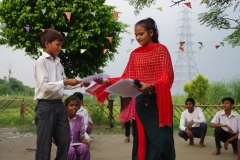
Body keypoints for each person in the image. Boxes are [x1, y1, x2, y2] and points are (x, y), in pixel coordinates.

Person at [87, 18, 175, 160]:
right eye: (136, 35)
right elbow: (126, 77)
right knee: (142, 140)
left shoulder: (161, 50)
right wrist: (106, 80)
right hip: (141, 103)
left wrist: (151, 85)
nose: (138, 38)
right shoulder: (135, 54)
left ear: (151, 32)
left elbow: (166, 76)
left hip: (158, 102)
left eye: (141, 34)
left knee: (162, 141)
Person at [33, 28, 89, 160]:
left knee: (64, 140)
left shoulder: (58, 63)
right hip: (45, 106)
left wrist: (80, 83)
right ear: (47, 44)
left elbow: (65, 84)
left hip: (59, 105)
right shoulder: (40, 62)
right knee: (44, 144)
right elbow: (43, 86)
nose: (60, 48)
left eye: (61, 45)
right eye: (57, 44)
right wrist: (64, 82)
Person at [64, 95, 90, 160]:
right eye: (71, 105)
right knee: (70, 150)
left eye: (76, 105)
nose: (74, 107)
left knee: (84, 148)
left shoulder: (80, 118)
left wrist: (83, 140)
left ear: (79, 107)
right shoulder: (62, 119)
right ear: (66, 107)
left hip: (76, 143)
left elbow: (81, 134)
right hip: (65, 145)